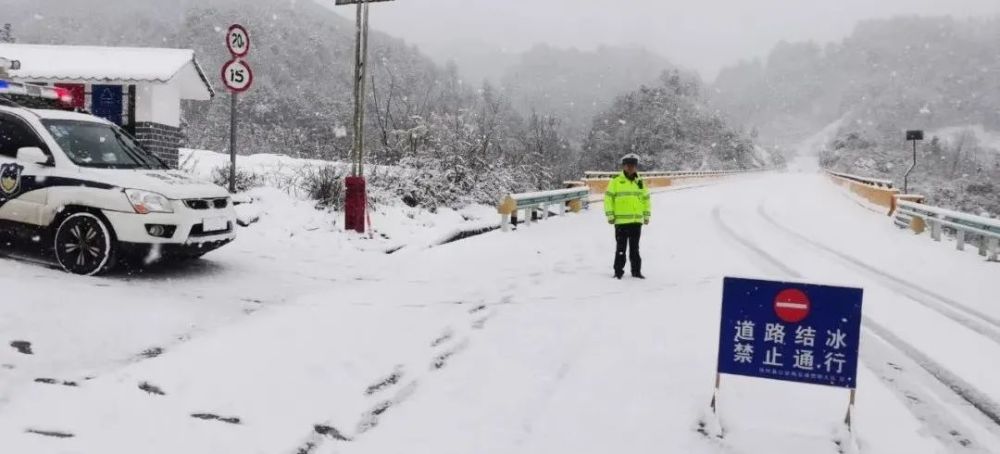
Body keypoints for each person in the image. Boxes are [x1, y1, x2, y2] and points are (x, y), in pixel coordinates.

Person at [604, 153, 650, 279]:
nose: (631, 168)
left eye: (633, 165)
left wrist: (646, 216)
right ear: (623, 166)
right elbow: (608, 199)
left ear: (636, 167)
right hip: (621, 221)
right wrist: (610, 215)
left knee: (635, 249)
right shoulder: (616, 181)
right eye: (628, 165)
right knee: (621, 249)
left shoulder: (640, 181)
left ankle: (636, 272)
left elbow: (646, 199)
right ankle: (618, 272)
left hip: (636, 221)